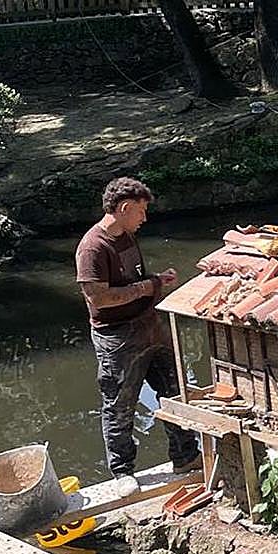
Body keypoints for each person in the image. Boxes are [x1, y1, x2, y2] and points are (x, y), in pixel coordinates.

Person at [75, 177, 200, 496]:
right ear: (124, 208)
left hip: (149, 325)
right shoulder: (92, 248)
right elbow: (99, 298)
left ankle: (185, 456)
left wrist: (157, 281)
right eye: (141, 211)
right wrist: (148, 287)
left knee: (174, 389)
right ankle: (122, 471)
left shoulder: (127, 235)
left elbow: (136, 280)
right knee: (119, 403)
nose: (145, 218)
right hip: (116, 337)